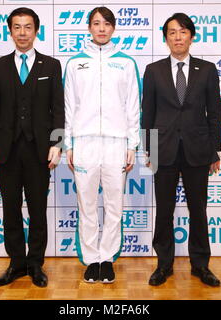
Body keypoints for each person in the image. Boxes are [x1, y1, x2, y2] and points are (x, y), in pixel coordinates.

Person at [0, 7, 64, 288]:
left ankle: (36, 264)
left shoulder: (51, 65)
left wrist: (57, 143)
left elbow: (58, 110)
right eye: (17, 27)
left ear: (36, 30)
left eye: (27, 27)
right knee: (10, 208)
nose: (22, 33)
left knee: (38, 208)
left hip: (40, 150)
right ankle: (16, 263)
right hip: (6, 149)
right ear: (10, 31)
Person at [142, 13, 221, 287]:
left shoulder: (207, 69)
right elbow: (148, 113)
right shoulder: (153, 70)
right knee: (164, 210)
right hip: (162, 151)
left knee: (198, 210)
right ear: (166, 38)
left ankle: (201, 265)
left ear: (192, 36)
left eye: (183, 32)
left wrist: (215, 151)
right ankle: (163, 265)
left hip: (197, 151)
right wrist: (149, 150)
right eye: (172, 33)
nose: (177, 37)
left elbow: (215, 113)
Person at [63, 6, 140, 284]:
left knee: (113, 204)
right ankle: (91, 258)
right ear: (89, 27)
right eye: (96, 23)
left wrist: (133, 144)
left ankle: (107, 259)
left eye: (106, 23)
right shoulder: (74, 64)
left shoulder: (127, 63)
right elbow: (68, 106)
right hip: (83, 143)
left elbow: (133, 106)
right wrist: (67, 144)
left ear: (114, 27)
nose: (101, 28)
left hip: (117, 143)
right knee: (86, 204)